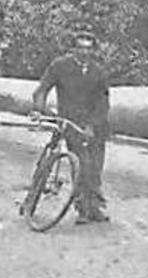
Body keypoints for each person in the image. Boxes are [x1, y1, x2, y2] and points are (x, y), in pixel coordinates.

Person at [32, 26, 112, 224]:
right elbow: (41, 90)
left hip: (95, 125)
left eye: (89, 48)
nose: (84, 52)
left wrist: (93, 125)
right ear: (73, 49)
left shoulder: (98, 72)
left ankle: (95, 208)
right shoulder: (60, 66)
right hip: (70, 123)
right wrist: (40, 109)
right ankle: (83, 209)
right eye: (80, 48)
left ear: (93, 51)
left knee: (95, 168)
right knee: (82, 164)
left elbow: (103, 103)